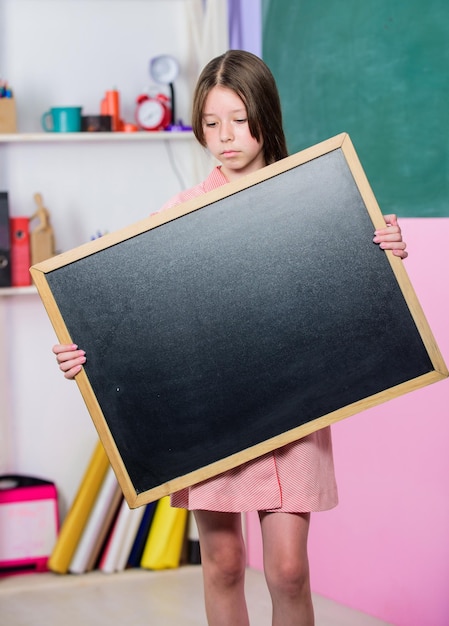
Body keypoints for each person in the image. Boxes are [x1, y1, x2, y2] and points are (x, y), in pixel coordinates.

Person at [53, 50, 408, 626]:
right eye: (212, 124)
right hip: (213, 421)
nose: (226, 137)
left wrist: (380, 255)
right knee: (221, 562)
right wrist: (86, 353)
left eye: (239, 119)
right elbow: (140, 321)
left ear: (265, 114)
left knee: (288, 571)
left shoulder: (316, 196)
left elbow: (351, 292)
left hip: (296, 409)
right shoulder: (178, 215)